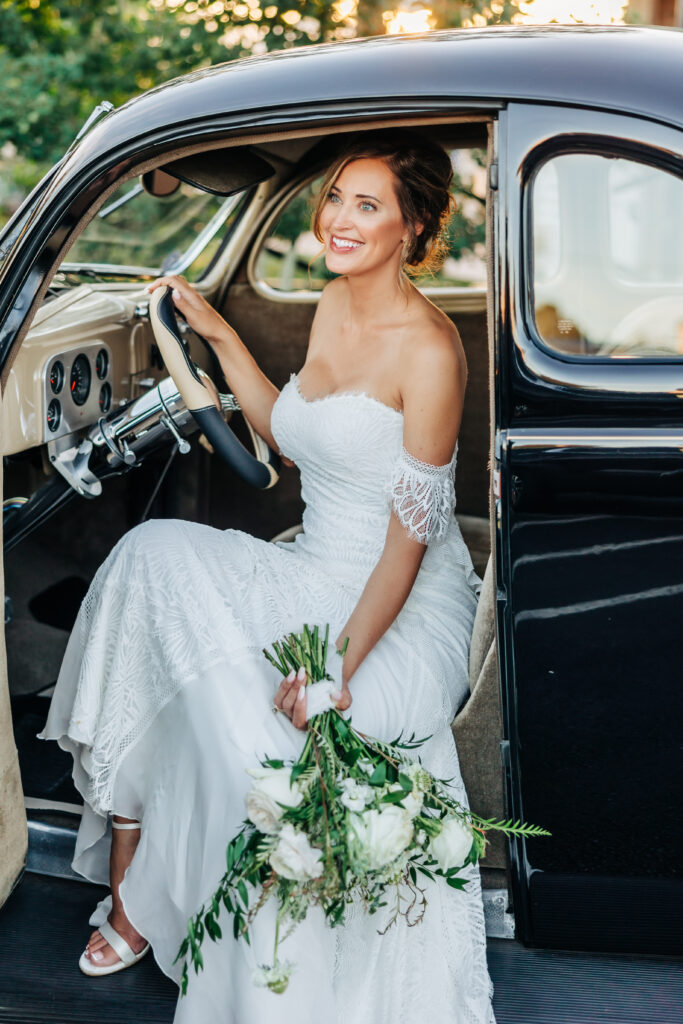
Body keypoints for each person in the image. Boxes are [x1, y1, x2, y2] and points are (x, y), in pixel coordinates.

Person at [39, 130, 495, 1023]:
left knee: (255, 714)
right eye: (333, 199)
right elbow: (292, 434)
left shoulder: (432, 352)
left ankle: (146, 905)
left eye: (367, 205)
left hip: (395, 603)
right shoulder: (330, 303)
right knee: (148, 559)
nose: (338, 219)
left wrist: (336, 673)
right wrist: (214, 335)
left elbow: (406, 547)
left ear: (411, 228)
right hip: (312, 563)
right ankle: (132, 877)